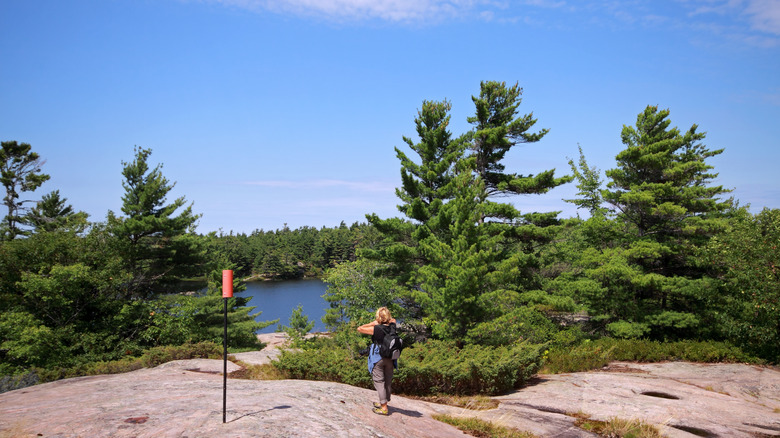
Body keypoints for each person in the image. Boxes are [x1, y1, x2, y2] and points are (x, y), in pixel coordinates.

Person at [357, 307, 397, 415]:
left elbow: (360, 328)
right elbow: (393, 320)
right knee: (388, 381)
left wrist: (373, 323)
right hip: (391, 358)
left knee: (379, 381)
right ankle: (385, 401)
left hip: (378, 357)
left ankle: (384, 407)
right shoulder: (393, 326)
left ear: (378, 317)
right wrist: (388, 320)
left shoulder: (376, 329)